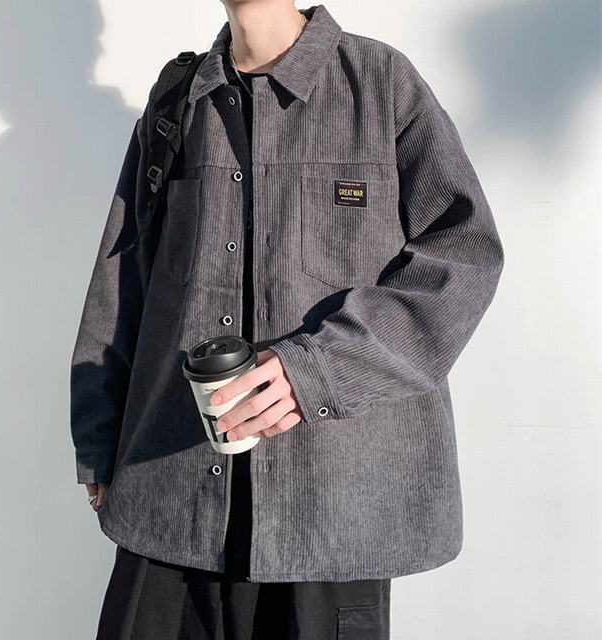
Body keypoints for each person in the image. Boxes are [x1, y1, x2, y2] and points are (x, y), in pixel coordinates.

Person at [70, 2, 505, 638]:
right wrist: (98, 442)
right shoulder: (177, 101)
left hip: (328, 516)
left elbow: (463, 257)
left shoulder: (381, 84)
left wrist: (317, 371)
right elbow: (123, 281)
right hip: (171, 501)